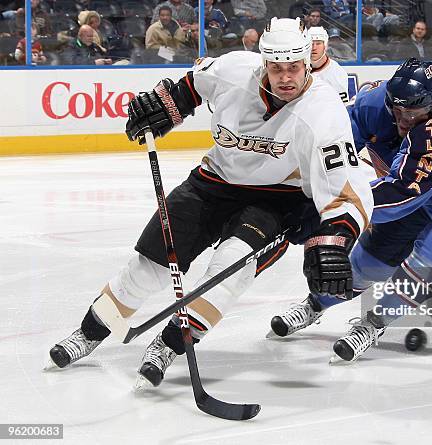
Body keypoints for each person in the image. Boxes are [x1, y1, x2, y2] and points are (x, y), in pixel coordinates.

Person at [46, 17, 374, 387]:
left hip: (275, 200)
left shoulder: (324, 112)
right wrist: (164, 109)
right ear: (264, 62)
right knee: (150, 264)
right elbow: (190, 87)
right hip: (212, 183)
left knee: (227, 270)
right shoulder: (234, 70)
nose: (286, 77)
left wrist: (334, 241)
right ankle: (90, 332)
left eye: (294, 68)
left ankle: (169, 344)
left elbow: (348, 191)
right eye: (277, 68)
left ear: (306, 62)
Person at [270, 59, 432, 362]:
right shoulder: (375, 105)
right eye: (397, 109)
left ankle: (375, 322)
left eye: (413, 112)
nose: (403, 118)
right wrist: (305, 192)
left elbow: (400, 195)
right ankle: (315, 304)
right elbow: (336, 144)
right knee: (371, 260)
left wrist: (330, 211)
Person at [308, 26, 349, 103]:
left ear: (325, 46)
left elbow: (341, 107)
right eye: (311, 43)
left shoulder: (337, 73)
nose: (314, 48)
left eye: (318, 43)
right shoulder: (298, 67)